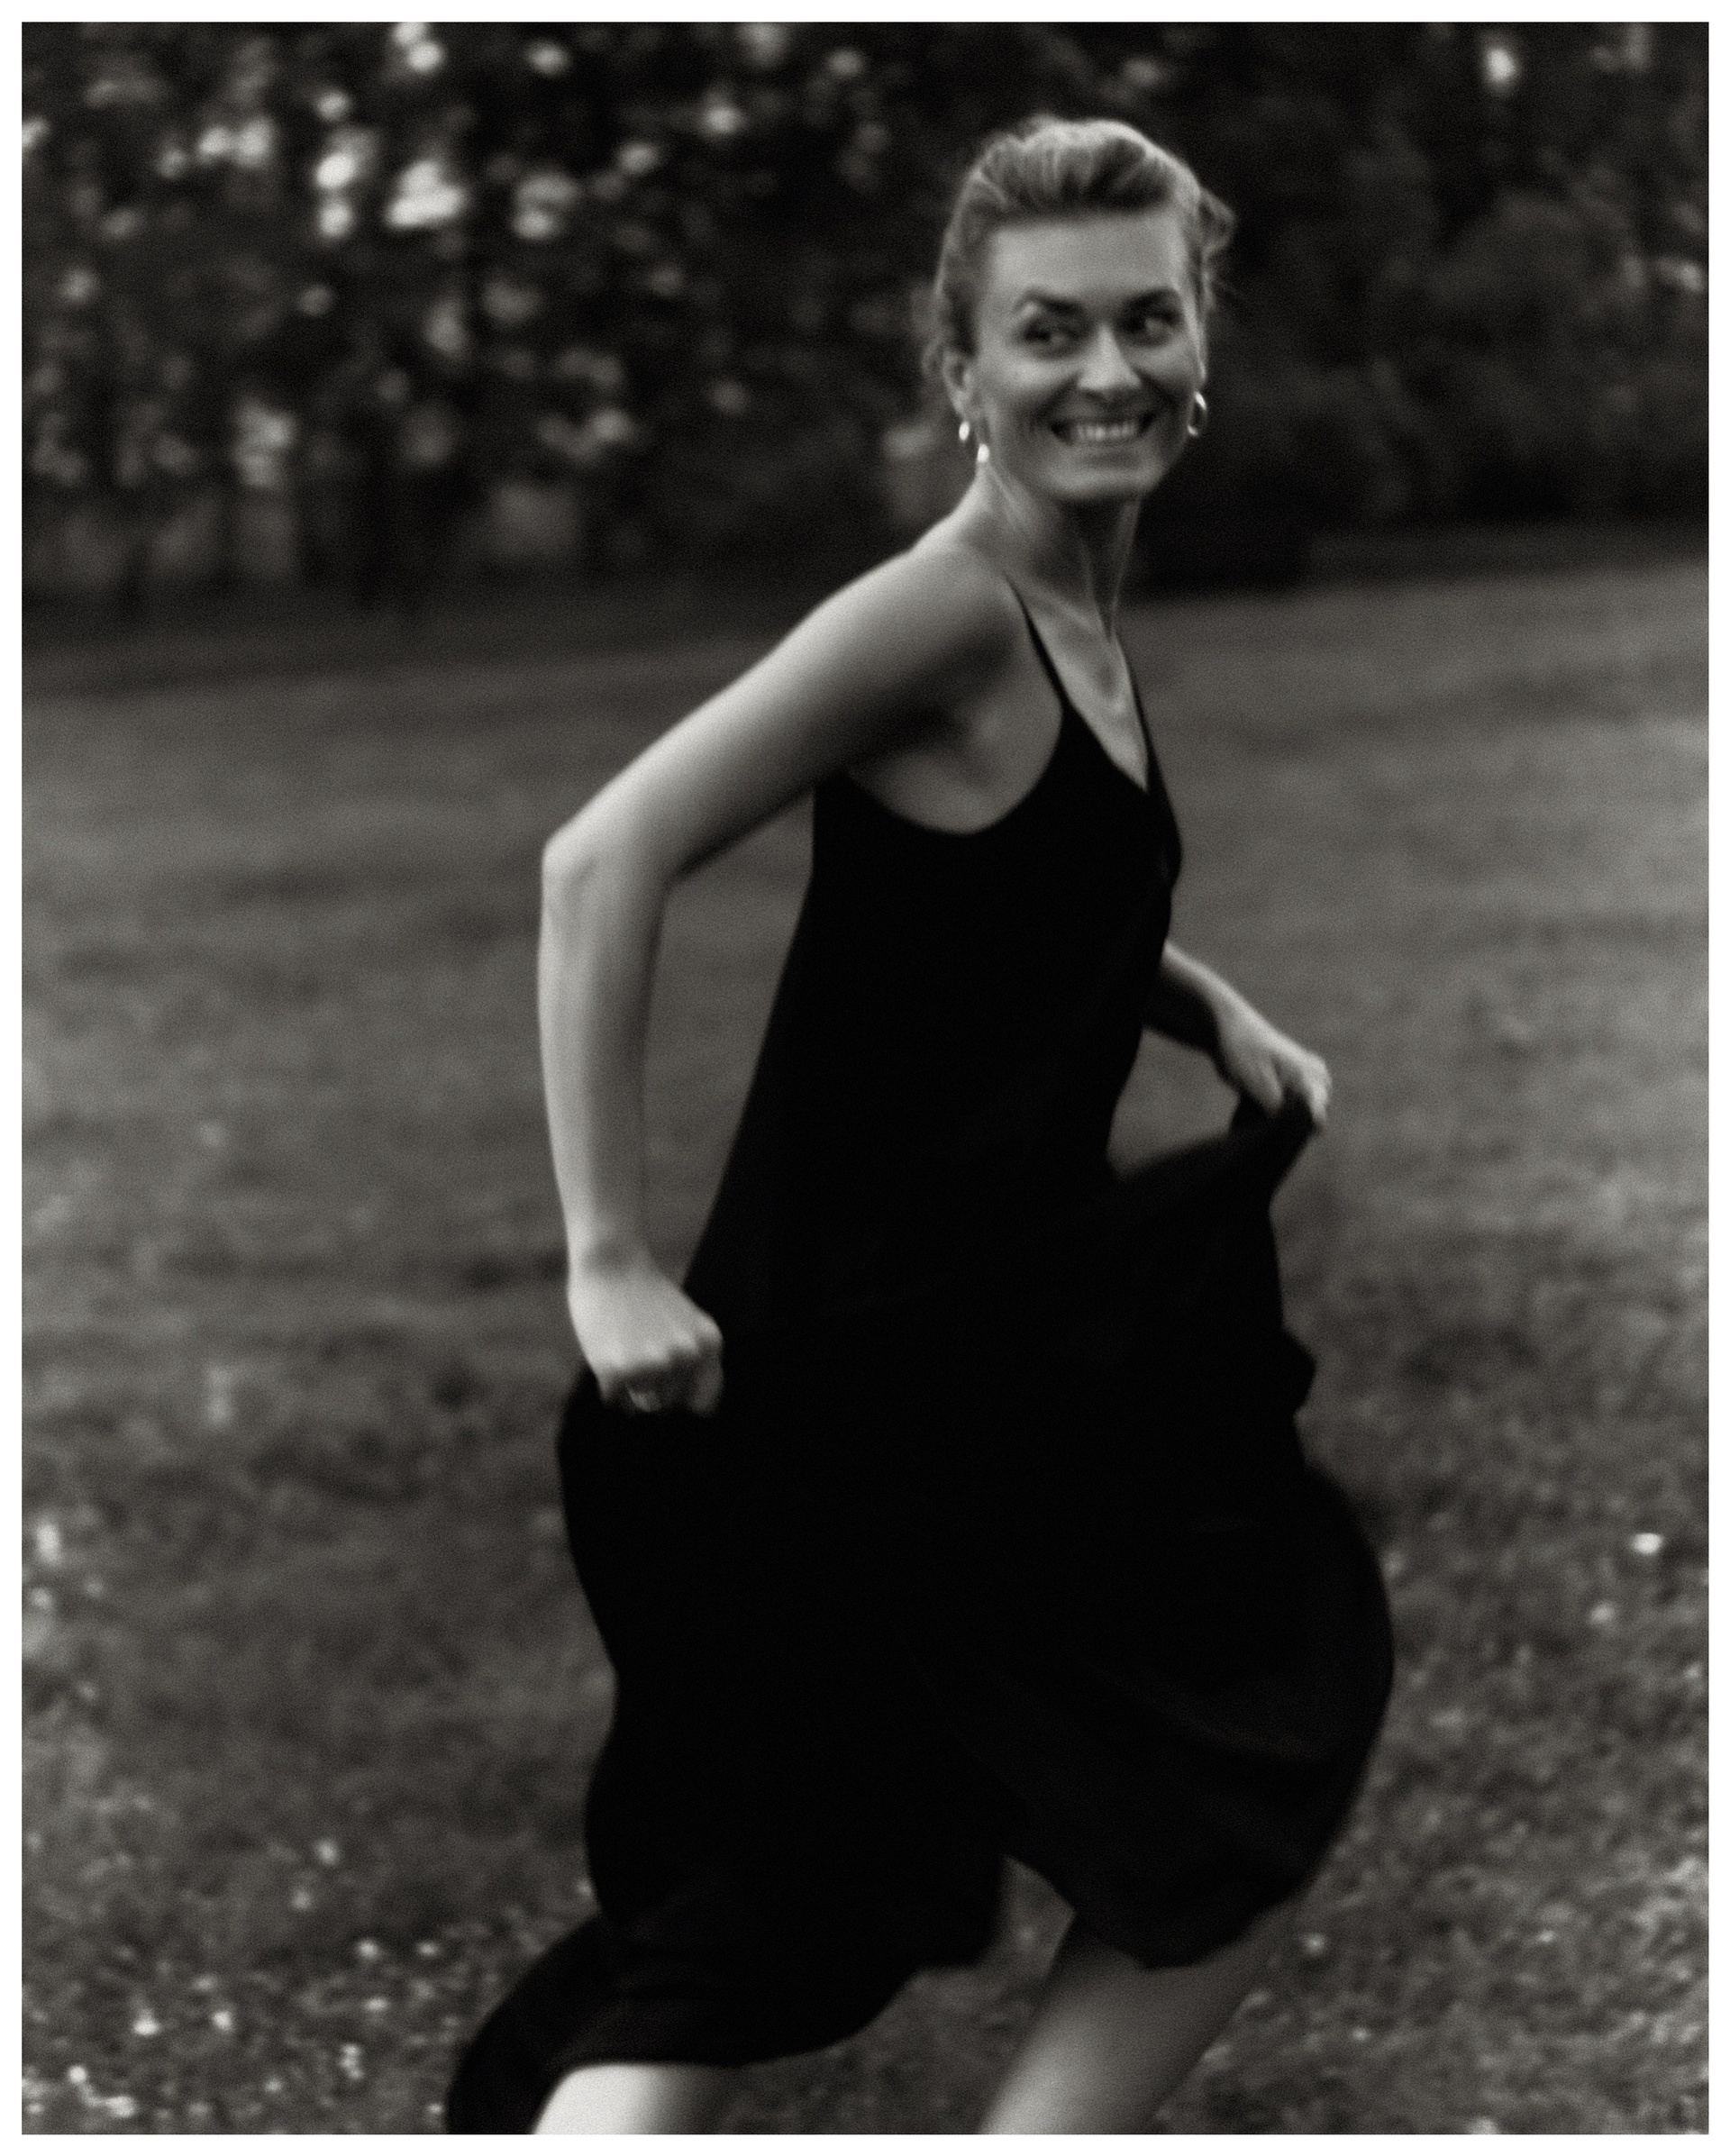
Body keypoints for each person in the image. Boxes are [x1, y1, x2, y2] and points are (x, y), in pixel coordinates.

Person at [446, 115, 1393, 2135]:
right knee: (1192, 1741)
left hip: (967, 1365)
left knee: (811, 1894)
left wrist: (1196, 998)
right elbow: (599, 860)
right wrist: (606, 1261)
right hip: (835, 1384)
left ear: (1203, 338)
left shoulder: (1069, 611)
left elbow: (1007, 890)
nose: (1109, 369)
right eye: (1049, 332)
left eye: (1149, 319)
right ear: (961, 368)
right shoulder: (948, 609)